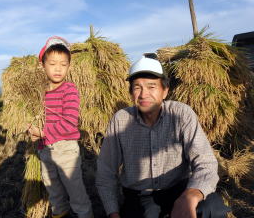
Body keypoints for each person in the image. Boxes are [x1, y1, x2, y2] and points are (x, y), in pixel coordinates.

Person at [96, 56, 230, 218]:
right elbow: (106, 172)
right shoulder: (121, 120)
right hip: (140, 196)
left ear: (165, 91)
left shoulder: (181, 114)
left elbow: (206, 163)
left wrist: (191, 195)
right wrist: (113, 213)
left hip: (179, 188)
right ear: (131, 93)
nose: (144, 94)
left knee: (212, 208)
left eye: (152, 87)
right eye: (137, 87)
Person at [27, 36, 93, 218]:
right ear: (43, 65)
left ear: (69, 67)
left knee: (77, 195)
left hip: (66, 151)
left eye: (63, 64)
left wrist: (43, 132)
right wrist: (33, 132)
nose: (58, 69)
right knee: (55, 195)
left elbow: (70, 122)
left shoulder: (69, 90)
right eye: (53, 63)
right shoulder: (39, 93)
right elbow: (36, 119)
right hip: (45, 150)